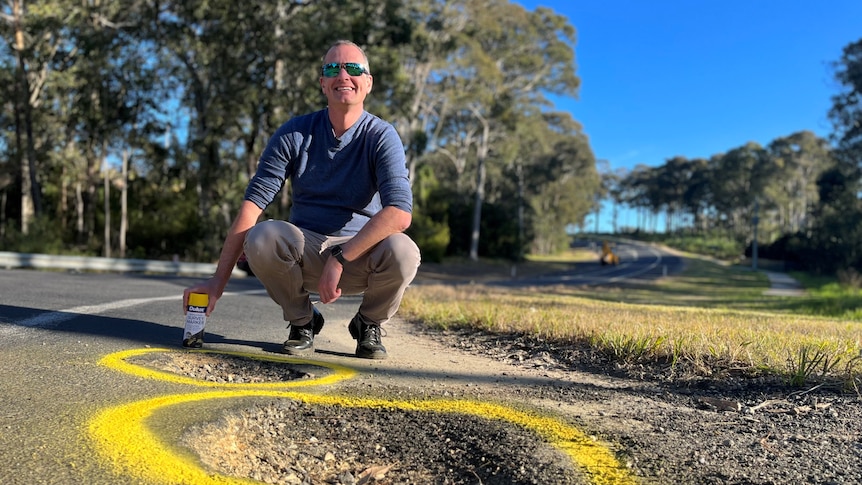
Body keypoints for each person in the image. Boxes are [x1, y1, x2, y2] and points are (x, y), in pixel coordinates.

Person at [183, 40, 421, 360]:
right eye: (331, 68)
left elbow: (399, 213)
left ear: (368, 83)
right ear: (322, 83)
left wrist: (341, 257)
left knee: (404, 250)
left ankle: (368, 324)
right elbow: (253, 205)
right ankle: (303, 320)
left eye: (353, 68)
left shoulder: (381, 136)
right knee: (263, 236)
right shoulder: (295, 133)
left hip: (360, 253)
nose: (342, 75)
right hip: (306, 251)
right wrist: (216, 283)